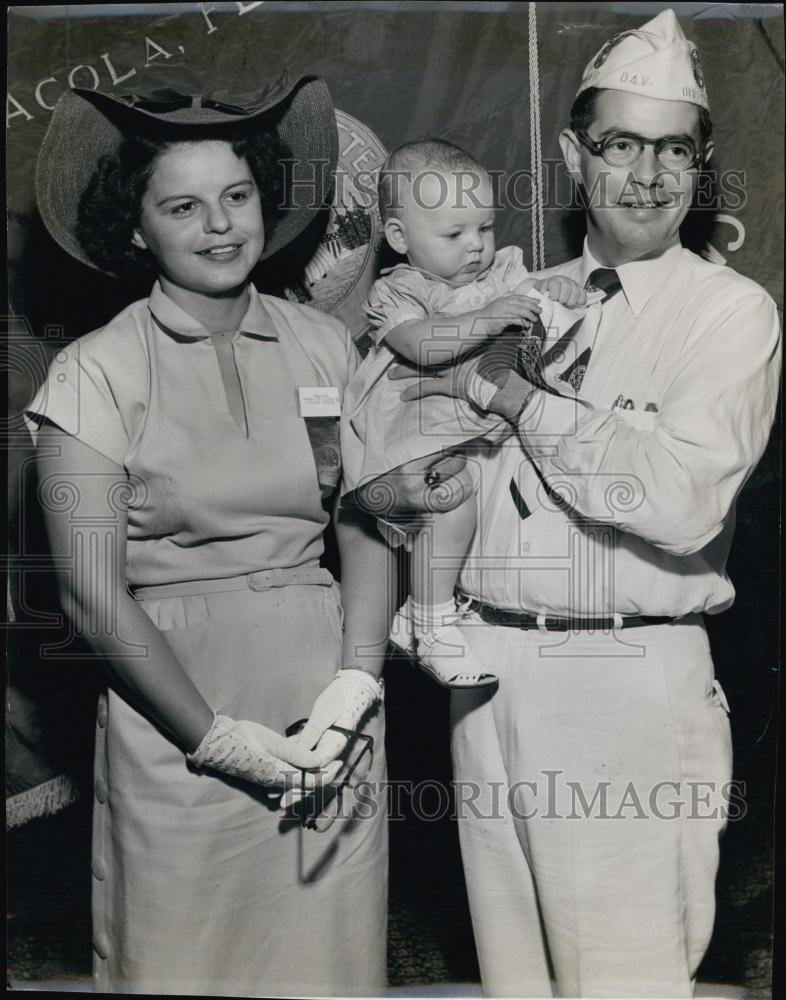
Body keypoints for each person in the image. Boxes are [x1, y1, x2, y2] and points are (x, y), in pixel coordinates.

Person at [392, 9, 781, 997]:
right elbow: (433, 467)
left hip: (624, 683)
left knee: (625, 983)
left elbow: (675, 497)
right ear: (575, 155)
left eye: (675, 150)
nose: (648, 176)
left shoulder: (728, 312)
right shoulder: (514, 292)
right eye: (620, 145)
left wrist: (516, 395)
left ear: (702, 167)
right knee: (515, 983)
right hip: (483, 672)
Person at [26, 77, 390, 997]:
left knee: (328, 970)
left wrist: (356, 682)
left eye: (237, 197)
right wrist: (216, 738)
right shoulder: (94, 372)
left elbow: (366, 521)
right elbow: (90, 594)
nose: (220, 226)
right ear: (138, 228)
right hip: (178, 721)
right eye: (182, 207)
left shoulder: (323, 346)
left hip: (327, 714)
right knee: (181, 965)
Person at [341, 139, 588, 689]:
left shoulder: (496, 275)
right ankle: (428, 620)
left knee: (465, 504)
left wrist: (554, 288)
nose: (475, 246)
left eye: (485, 227)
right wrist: (488, 318)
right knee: (454, 507)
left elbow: (529, 296)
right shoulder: (401, 290)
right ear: (401, 238)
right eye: (454, 234)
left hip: (462, 424)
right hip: (405, 426)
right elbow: (423, 347)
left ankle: (421, 614)